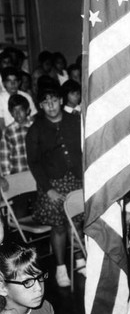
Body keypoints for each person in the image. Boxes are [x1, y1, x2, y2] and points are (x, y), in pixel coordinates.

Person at [26, 85, 85, 287]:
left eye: (53, 100)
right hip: (51, 184)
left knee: (77, 220)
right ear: (41, 106)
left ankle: (79, 259)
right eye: (45, 102)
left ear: (60, 100)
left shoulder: (75, 121)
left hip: (76, 179)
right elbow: (33, 162)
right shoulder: (36, 129)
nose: (50, 106)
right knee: (59, 225)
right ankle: (61, 267)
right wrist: (48, 189)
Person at [0, 94, 32, 176]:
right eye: (14, 110)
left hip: (37, 174)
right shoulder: (7, 132)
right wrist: (7, 177)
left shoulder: (35, 128)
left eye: (21, 110)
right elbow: (4, 158)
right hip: (17, 174)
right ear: (11, 113)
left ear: (27, 110)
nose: (18, 113)